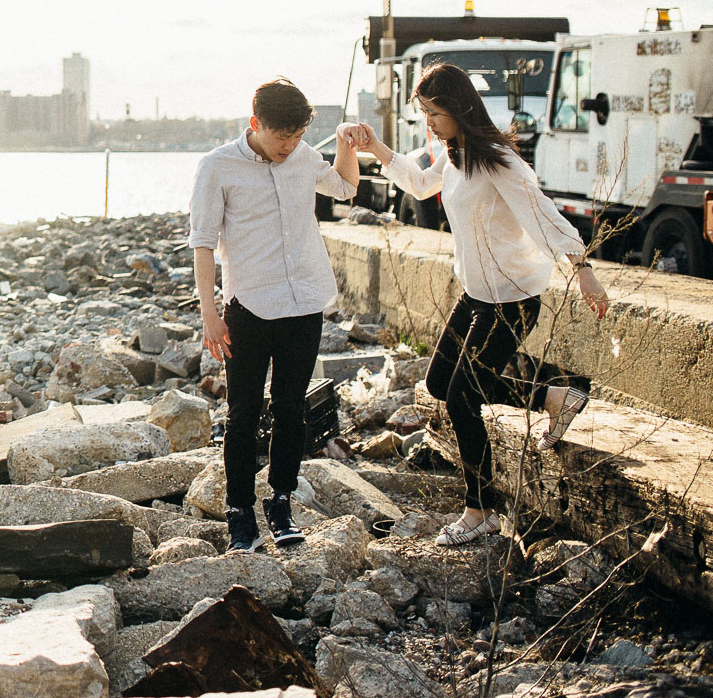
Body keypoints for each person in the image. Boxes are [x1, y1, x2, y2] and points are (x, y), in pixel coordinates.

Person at [346, 62, 610, 547]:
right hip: (477, 296)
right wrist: (376, 149)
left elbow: (544, 215)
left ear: (460, 107)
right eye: (423, 112)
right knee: (440, 382)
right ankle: (556, 396)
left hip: (511, 298)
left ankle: (482, 509)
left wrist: (585, 272)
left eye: (433, 112)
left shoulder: (497, 159)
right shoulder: (455, 153)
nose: (428, 121)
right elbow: (422, 184)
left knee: (465, 397)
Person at [191, 77, 360, 552]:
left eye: (297, 136)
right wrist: (210, 311)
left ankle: (280, 503)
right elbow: (203, 241)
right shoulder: (217, 166)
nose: (289, 147)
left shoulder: (304, 156)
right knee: (242, 413)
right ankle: (239, 512)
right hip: (249, 306)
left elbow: (346, 188)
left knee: (292, 409)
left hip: (305, 301)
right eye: (280, 137)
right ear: (255, 124)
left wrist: (347, 141)